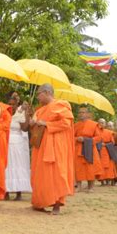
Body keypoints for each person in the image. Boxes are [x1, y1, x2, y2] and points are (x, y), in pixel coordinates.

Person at [30, 84, 74, 215]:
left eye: (39, 94)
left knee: (56, 173)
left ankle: (57, 205)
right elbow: (36, 126)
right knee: (40, 174)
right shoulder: (40, 110)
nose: (38, 97)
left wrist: (47, 124)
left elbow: (66, 124)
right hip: (41, 145)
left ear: (47, 92)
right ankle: (40, 202)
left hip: (55, 145)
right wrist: (33, 123)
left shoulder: (61, 105)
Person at [4, 95, 32, 201]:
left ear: (17, 105)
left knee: (18, 165)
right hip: (6, 142)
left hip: (18, 143)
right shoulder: (4, 113)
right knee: (7, 166)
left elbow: (25, 129)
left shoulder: (20, 113)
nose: (11, 106)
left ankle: (18, 192)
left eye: (13, 104)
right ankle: (6, 191)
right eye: (9, 104)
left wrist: (26, 113)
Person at [74, 106, 102, 192]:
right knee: (78, 167)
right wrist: (77, 139)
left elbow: (98, 137)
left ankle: (91, 187)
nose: (81, 114)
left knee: (90, 167)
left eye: (83, 112)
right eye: (79, 112)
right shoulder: (76, 125)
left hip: (90, 148)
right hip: (78, 148)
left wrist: (87, 140)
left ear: (88, 114)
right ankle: (79, 186)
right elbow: (71, 136)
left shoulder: (93, 124)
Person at [97, 118, 117, 186]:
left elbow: (113, 143)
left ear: (105, 124)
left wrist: (105, 145)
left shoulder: (109, 132)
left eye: (103, 123)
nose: (101, 124)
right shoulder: (95, 132)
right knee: (100, 166)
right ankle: (102, 182)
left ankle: (108, 181)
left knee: (108, 166)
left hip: (107, 151)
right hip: (98, 151)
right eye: (100, 123)